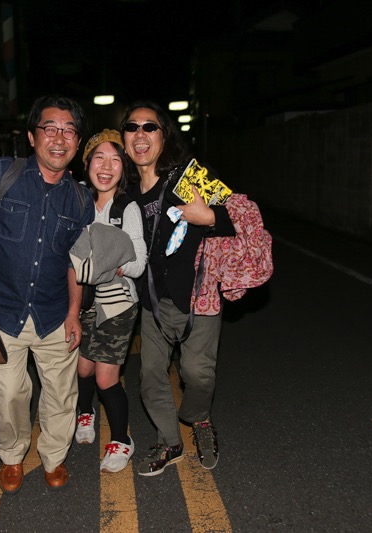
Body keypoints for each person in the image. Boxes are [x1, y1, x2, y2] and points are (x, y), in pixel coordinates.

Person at [0, 95, 94, 494]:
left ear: (77, 143)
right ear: (32, 136)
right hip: (1, 310)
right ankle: (12, 455)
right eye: (50, 128)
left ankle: (53, 457)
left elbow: (77, 262)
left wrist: (74, 312)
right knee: (11, 393)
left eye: (69, 131)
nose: (59, 138)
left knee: (61, 394)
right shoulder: (2, 173)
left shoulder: (80, 199)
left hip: (53, 313)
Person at [120, 101, 237, 476]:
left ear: (164, 135)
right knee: (150, 377)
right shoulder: (125, 192)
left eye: (149, 127)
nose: (140, 134)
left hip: (198, 297)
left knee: (198, 374)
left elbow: (240, 216)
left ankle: (199, 418)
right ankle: (170, 442)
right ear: (124, 139)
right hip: (153, 302)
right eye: (132, 127)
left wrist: (210, 216)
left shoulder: (189, 176)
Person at [72, 129, 147, 473]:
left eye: (115, 159)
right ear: (87, 163)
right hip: (83, 298)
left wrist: (113, 264)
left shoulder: (126, 207)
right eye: (99, 158)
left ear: (124, 167)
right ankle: (84, 412)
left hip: (118, 303)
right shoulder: (77, 201)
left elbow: (138, 262)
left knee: (105, 378)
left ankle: (121, 440)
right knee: (82, 368)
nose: (106, 167)